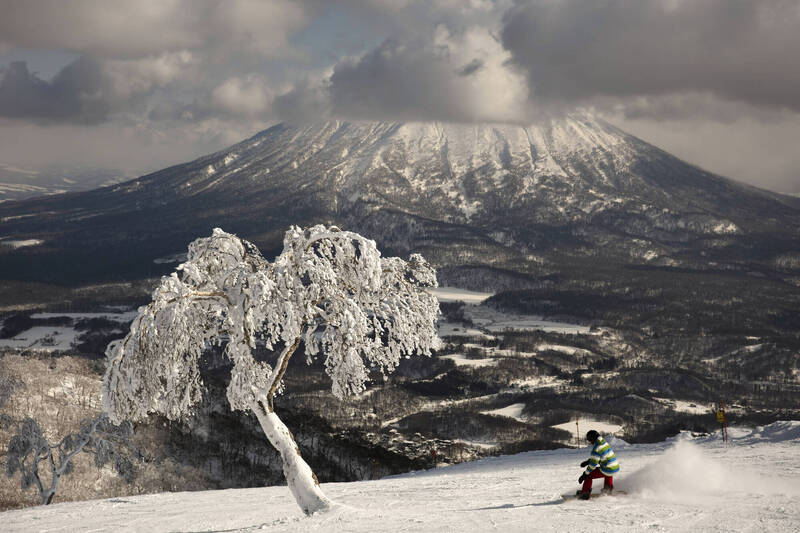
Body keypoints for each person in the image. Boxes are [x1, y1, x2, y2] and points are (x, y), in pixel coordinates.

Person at [576, 429, 620, 500]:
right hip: (615, 466)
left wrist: (584, 474)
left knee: (589, 475)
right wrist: (588, 461)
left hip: (608, 468)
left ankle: (585, 493)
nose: (590, 442)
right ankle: (608, 490)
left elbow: (592, 466)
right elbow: (601, 456)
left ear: (592, 439)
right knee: (607, 470)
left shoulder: (596, 448)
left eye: (590, 440)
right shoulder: (603, 442)